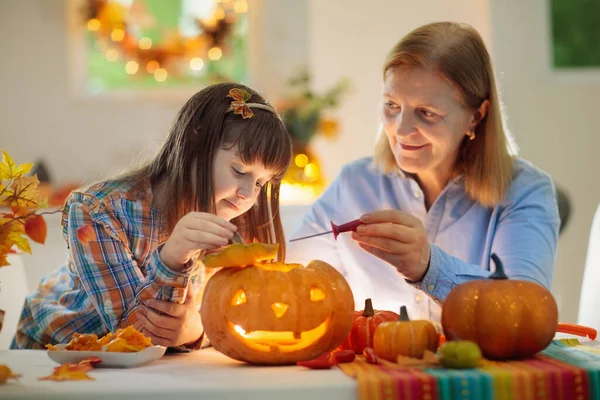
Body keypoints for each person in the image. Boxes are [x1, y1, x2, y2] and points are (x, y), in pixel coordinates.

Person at [286, 22, 560, 325]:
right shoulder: (354, 183)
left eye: (427, 113)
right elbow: (288, 280)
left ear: (476, 117)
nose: (400, 130)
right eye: (392, 105)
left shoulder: (525, 191)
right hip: (374, 371)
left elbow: (527, 314)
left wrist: (428, 267)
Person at [12, 83, 292, 349]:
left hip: (150, 374)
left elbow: (241, 320)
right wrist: (173, 257)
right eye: (239, 171)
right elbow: (133, 336)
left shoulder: (237, 223)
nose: (247, 193)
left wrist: (196, 330)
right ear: (194, 145)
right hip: (48, 360)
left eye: (260, 183)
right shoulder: (98, 209)